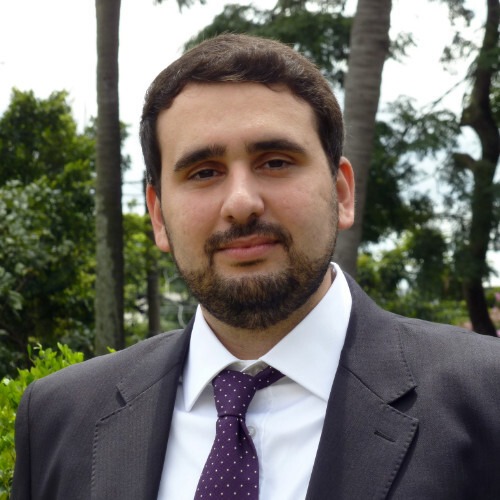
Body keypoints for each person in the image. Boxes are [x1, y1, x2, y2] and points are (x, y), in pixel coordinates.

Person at [11, 34, 500, 500]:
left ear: (341, 192)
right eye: (204, 172)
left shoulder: (486, 397)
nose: (241, 203)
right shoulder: (58, 419)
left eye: (275, 162)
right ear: (158, 216)